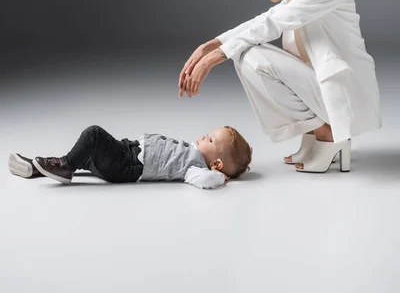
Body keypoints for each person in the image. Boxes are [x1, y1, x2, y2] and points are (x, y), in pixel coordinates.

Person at [178, 0, 382, 174]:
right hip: (321, 83)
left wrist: (218, 55)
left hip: (342, 87)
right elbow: (268, 17)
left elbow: (278, 21)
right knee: (246, 54)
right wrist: (213, 44)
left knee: (251, 56)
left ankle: (327, 132)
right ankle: (317, 131)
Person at [8, 124, 252, 189]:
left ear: (217, 164)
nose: (203, 135)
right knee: (87, 155)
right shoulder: (194, 153)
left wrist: (219, 177)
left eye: (210, 139)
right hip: (127, 152)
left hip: (128, 165)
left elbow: (202, 181)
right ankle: (39, 168)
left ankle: (63, 166)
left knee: (93, 135)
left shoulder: (196, 167)